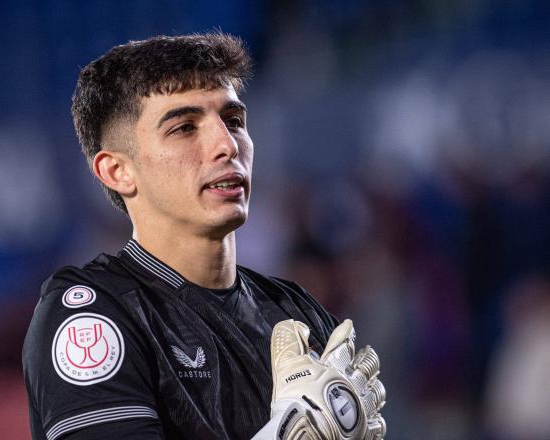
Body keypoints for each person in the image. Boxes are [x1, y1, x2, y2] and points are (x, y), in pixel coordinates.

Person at [22, 32, 386, 440]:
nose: (226, 144)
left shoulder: (297, 313)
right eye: (184, 128)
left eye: (233, 121)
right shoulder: (94, 318)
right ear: (118, 171)